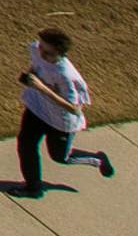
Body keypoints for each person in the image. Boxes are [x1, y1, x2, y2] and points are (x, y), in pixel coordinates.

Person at [18, 28, 112, 191]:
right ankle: (33, 188)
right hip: (38, 108)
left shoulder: (66, 75)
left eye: (47, 52)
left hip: (60, 121)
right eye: (41, 47)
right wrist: (30, 75)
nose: (41, 53)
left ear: (59, 53)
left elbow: (74, 109)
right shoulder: (37, 50)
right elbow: (36, 64)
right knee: (26, 144)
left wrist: (41, 87)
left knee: (60, 157)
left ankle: (98, 159)